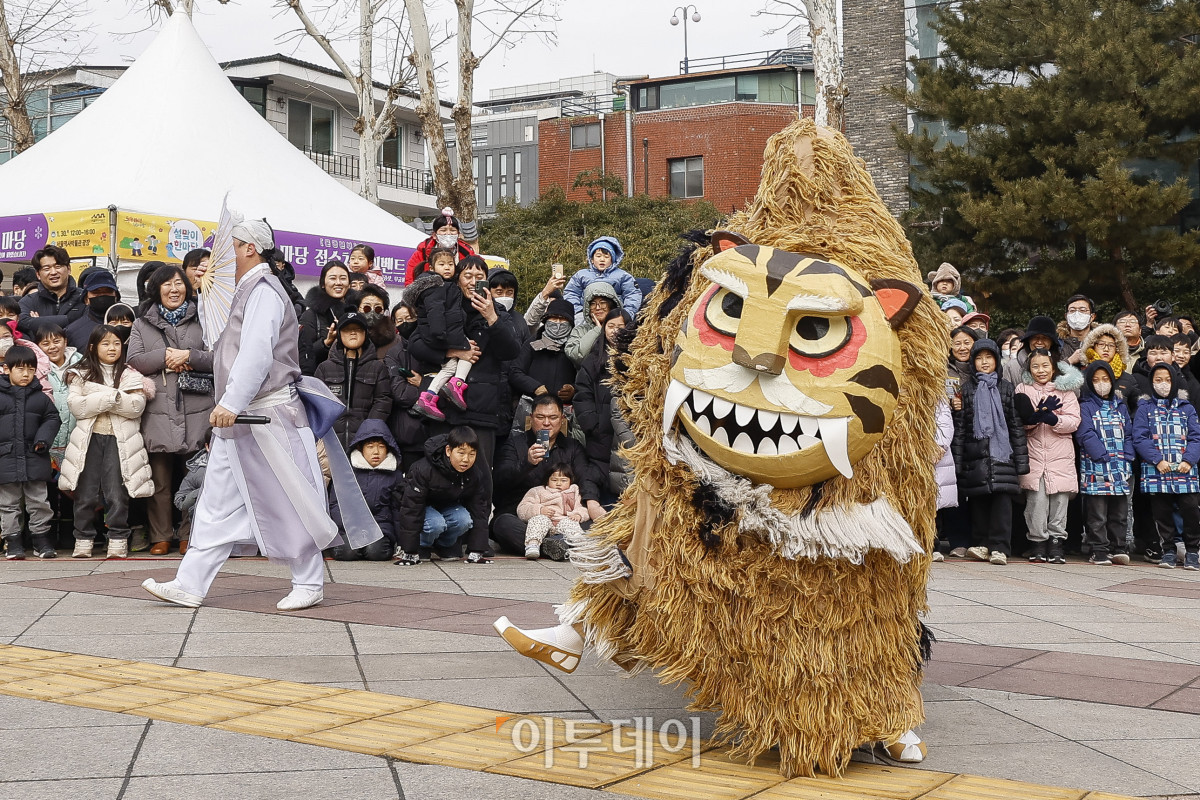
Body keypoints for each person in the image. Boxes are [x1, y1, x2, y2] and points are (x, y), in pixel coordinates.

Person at [142, 217, 343, 611]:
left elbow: (255, 353)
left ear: (250, 248)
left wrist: (230, 402)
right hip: (242, 414)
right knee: (215, 501)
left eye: (231, 246)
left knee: (291, 495)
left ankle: (309, 580)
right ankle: (190, 582)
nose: (224, 256)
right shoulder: (248, 290)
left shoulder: (265, 292)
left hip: (266, 413)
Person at [126, 264, 214, 556]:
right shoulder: (141, 323)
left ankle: (191, 533)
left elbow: (218, 356)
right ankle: (161, 535)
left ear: (187, 288)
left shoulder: (204, 317)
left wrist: (190, 356)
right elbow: (135, 360)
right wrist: (165, 357)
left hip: (197, 406)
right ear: (156, 289)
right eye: (167, 284)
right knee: (159, 480)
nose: (173, 289)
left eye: (178, 284)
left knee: (197, 476)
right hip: (158, 409)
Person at [405, 255, 520, 470]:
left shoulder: (498, 312)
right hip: (443, 411)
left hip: (481, 409)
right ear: (458, 279)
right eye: (467, 275)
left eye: (480, 276)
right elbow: (415, 344)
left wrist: (491, 317)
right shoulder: (441, 302)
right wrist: (453, 352)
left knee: (480, 478)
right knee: (440, 474)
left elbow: (511, 350)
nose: (473, 281)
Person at [58, 325, 154, 559]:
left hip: (120, 441)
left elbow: (136, 407)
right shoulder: (80, 372)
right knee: (85, 493)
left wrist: (96, 395)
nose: (112, 348)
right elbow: (77, 407)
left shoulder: (131, 374)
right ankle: (83, 538)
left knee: (116, 492)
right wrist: (114, 396)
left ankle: (118, 538)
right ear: (93, 347)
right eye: (105, 343)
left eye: (116, 343)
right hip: (88, 440)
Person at [492, 394, 603, 559]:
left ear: (562, 419)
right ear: (531, 418)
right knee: (502, 524)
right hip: (524, 517)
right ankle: (564, 546)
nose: (546, 423)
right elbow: (499, 480)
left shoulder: (572, 447)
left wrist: (592, 505)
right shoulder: (515, 443)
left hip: (564, 518)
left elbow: (585, 477)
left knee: (595, 520)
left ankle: (552, 545)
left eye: (552, 417)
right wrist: (527, 463)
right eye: (540, 417)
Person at [952, 338, 1029, 565]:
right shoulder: (966, 390)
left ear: (997, 360)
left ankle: (1000, 547)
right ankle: (982, 544)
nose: (984, 362)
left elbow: (1016, 427)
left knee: (1002, 504)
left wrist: (1021, 461)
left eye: (989, 357)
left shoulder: (1006, 388)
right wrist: (958, 461)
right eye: (979, 358)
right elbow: (960, 429)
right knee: (979, 503)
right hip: (975, 457)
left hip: (1003, 456)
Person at [1014, 349, 1082, 563]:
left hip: (1060, 455)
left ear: (1053, 367)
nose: (1040, 370)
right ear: (1029, 369)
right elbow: (1017, 420)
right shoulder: (1022, 388)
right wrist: (1034, 418)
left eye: (1045, 365)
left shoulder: (1066, 391)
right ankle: (1037, 542)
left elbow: (1074, 421)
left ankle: (1056, 543)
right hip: (1033, 454)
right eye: (1035, 366)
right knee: (1036, 501)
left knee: (1060, 500)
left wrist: (1054, 420)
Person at [1132, 363, 1200, 570]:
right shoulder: (1145, 408)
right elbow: (1139, 437)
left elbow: (1196, 437)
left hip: (1185, 470)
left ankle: (1193, 551)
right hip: (1157, 470)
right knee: (1161, 513)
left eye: (1167, 380)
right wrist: (1157, 460)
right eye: (1158, 380)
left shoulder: (1186, 408)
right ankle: (1168, 550)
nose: (1163, 384)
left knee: (1190, 509)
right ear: (1151, 383)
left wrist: (1189, 460)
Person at [393, 426, 492, 565]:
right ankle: (422, 545)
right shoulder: (423, 469)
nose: (466, 459)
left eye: (472, 454)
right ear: (448, 451)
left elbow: (479, 510)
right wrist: (409, 551)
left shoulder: (474, 474)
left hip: (446, 506)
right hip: (421, 508)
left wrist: (477, 550)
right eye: (461, 453)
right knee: (435, 523)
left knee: (464, 519)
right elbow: (411, 508)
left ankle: (444, 545)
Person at [0, 345, 61, 560]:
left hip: (35, 457)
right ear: (6, 369)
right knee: (8, 504)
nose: (26, 374)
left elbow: (53, 418)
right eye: (20, 369)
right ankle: (12, 541)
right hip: (5, 459)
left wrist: (42, 439)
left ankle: (41, 540)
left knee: (39, 501)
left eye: (31, 369)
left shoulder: (40, 397)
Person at [1076, 361, 1134, 565]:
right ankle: (1098, 549)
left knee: (1119, 513)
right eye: (1096, 380)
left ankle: (1118, 547)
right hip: (1096, 467)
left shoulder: (1120, 405)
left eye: (1106, 379)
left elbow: (1128, 433)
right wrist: (1101, 454)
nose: (1102, 384)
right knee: (1097, 514)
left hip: (1120, 467)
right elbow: (1085, 433)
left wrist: (1127, 455)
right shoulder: (1085, 406)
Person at [406, 247, 472, 421]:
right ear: (432, 267)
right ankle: (457, 383)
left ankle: (428, 397)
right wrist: (439, 333)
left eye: (450, 264)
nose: (447, 267)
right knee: (468, 349)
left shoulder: (446, 285)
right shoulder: (435, 285)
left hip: (444, 333)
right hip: (441, 334)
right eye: (442, 264)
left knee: (449, 366)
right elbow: (435, 310)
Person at [574, 308, 633, 500]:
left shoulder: (637, 359)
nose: (615, 331)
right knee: (602, 480)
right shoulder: (593, 360)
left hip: (630, 434)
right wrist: (593, 425)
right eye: (611, 326)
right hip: (601, 437)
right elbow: (582, 395)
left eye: (620, 326)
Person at [314, 311, 392, 447]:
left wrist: (369, 430)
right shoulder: (324, 368)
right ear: (339, 334)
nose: (353, 333)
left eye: (358, 329)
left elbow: (383, 400)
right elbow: (316, 402)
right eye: (347, 330)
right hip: (330, 440)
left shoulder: (377, 367)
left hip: (365, 441)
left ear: (365, 334)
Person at [328, 420, 399, 561]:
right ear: (361, 448)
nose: (376, 452)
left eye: (381, 446)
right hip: (350, 526)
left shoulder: (394, 475)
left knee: (376, 552)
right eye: (370, 446)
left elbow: (397, 508)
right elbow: (335, 504)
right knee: (347, 553)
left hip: (380, 527)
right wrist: (348, 526)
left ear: (388, 448)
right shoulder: (346, 471)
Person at [509, 298, 578, 419]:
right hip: (532, 410)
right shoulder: (532, 343)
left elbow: (587, 378)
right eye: (553, 318)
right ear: (546, 320)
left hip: (565, 413)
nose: (557, 323)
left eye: (562, 319)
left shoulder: (577, 347)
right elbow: (515, 372)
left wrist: (573, 389)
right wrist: (534, 387)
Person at [517, 464, 598, 559]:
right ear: (547, 480)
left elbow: (582, 507)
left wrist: (578, 514)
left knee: (571, 523)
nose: (558, 483)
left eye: (564, 480)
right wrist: (539, 509)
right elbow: (522, 508)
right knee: (538, 520)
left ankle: (579, 545)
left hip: (564, 522)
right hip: (546, 523)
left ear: (570, 481)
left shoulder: (574, 491)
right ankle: (533, 545)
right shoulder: (537, 491)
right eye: (554, 480)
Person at [383, 303, 428, 471]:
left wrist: (422, 383)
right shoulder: (394, 354)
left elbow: (446, 390)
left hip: (435, 431)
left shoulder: (434, 350)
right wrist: (428, 388)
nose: (405, 323)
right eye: (400, 320)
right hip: (407, 433)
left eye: (410, 318)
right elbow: (401, 394)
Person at [34, 323, 82, 466]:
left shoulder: (82, 364)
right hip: (47, 439)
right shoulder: (36, 369)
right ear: (38, 346)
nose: (52, 347)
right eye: (46, 343)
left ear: (65, 342)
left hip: (77, 438)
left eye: (57, 341)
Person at [562, 236, 641, 322]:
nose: (602, 259)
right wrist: (578, 311)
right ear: (592, 259)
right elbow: (571, 293)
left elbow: (632, 294)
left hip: (614, 316)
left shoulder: (623, 276)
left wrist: (626, 314)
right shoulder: (581, 275)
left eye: (606, 257)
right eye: (598, 256)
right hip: (586, 316)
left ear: (613, 260)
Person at [18, 245, 86, 337]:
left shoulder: (84, 297)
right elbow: (22, 322)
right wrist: (70, 319)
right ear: (38, 274)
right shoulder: (28, 301)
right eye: (46, 268)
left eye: (58, 266)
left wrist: (39, 322)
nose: (53, 272)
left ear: (69, 269)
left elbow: (88, 323)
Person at [298, 260, 351, 375]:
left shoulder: (356, 311)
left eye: (343, 278)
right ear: (323, 283)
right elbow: (304, 355)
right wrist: (327, 342)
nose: (338, 283)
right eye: (332, 278)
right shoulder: (311, 315)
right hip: (322, 380)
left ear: (349, 283)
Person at [404, 208, 477, 285]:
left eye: (452, 230)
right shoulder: (422, 253)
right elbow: (410, 280)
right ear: (434, 235)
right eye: (443, 230)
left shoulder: (468, 254)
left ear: (458, 234)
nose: (448, 234)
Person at [564, 282, 620, 366]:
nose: (598, 307)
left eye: (603, 302)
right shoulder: (580, 330)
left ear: (611, 305)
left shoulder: (623, 327)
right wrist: (597, 330)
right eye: (593, 304)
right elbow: (575, 356)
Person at [64, 270, 121, 351]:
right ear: (86, 299)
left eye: (107, 291)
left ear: (116, 296)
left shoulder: (130, 326)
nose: (102, 295)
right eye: (96, 292)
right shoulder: (72, 331)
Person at [1060, 295, 1097, 365]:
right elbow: (1050, 371)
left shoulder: (1102, 342)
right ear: (1066, 316)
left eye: (1082, 310)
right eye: (1072, 310)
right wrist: (1069, 361)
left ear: (1092, 317)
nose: (1077, 314)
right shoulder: (1058, 345)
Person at [270, 253, 307, 317]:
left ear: (283, 266)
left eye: (276, 265)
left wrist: (296, 311)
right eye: (270, 266)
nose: (272, 269)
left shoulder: (287, 282)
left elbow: (299, 300)